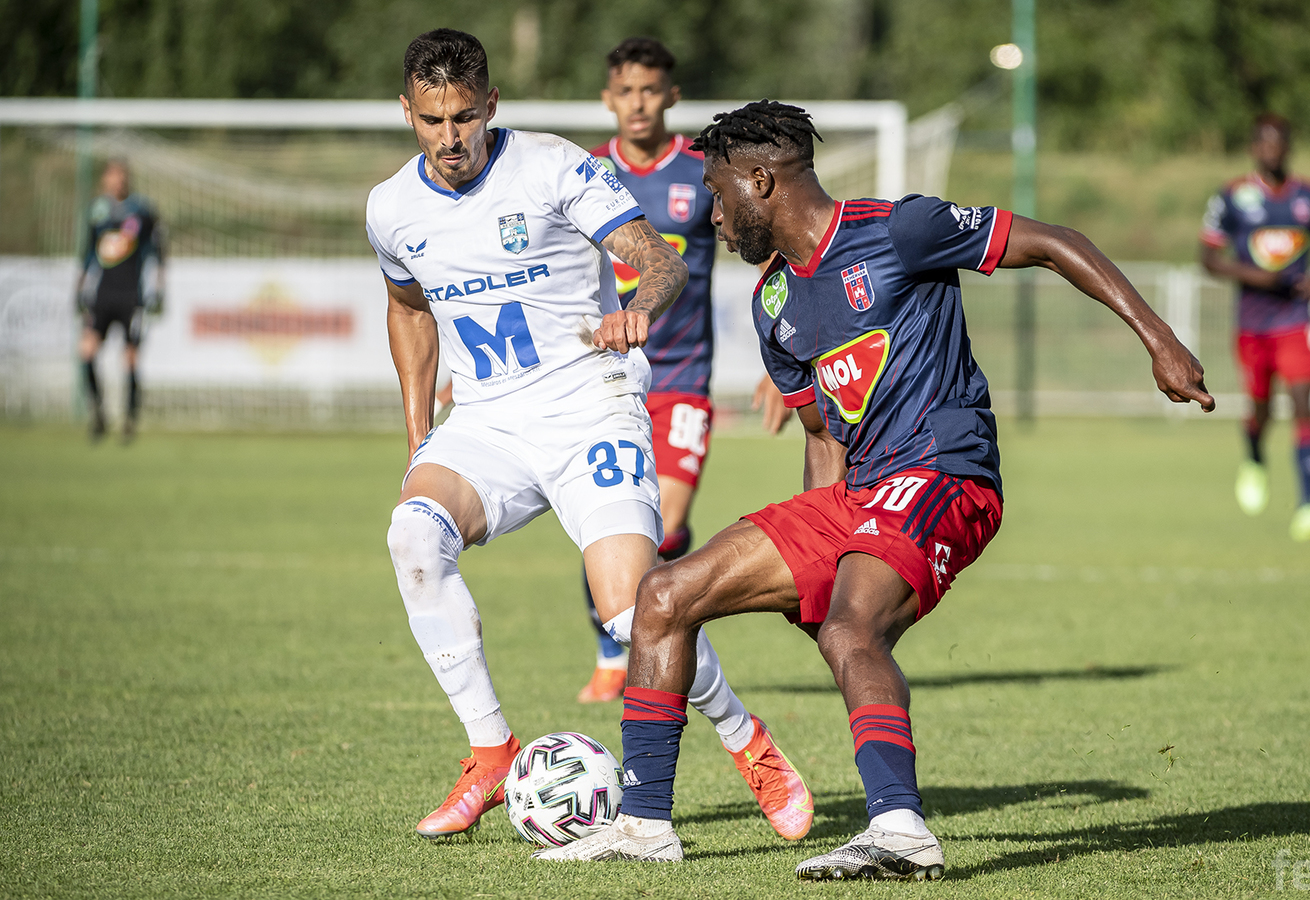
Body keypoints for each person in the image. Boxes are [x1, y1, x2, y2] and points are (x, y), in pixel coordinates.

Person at [535, 101, 1213, 877]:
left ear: (761, 181)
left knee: (851, 628)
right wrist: (812, 562)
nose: (712, 216)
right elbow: (823, 439)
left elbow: (1058, 243)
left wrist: (1161, 340)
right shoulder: (774, 303)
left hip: (947, 470)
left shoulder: (901, 230)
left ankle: (900, 831)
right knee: (662, 597)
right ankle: (644, 825)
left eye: (719, 195)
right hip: (860, 492)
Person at [367, 31, 810, 843]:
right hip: (487, 423)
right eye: (432, 120)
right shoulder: (391, 208)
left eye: (464, 117)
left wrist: (638, 308)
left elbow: (662, 261)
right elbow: (407, 310)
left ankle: (747, 739)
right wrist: (419, 434)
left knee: (632, 612)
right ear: (407, 112)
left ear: (491, 104)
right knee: (413, 537)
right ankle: (491, 752)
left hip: (589, 406)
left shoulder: (553, 166)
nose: (450, 137)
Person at [574, 36, 792, 703]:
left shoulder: (702, 172)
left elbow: (774, 253)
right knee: (609, 523)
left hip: (680, 382)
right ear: (608, 98)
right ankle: (612, 652)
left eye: (650, 90)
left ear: (671, 95)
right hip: (602, 382)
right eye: (626, 91)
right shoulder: (584, 173)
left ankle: (657, 641)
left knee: (661, 527)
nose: (638, 103)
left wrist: (786, 356)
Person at [1200, 113, 1310, 541]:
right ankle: (1255, 457)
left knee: (1303, 403)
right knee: (1260, 407)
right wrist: (1258, 277)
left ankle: (1309, 505)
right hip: (1253, 323)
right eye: (1265, 143)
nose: (1272, 150)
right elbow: (1208, 259)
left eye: (1279, 142)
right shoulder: (1232, 197)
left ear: (1289, 147)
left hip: (1297, 318)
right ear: (1254, 148)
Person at [76, 159, 165, 443]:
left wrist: (159, 289)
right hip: (102, 294)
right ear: (105, 179)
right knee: (86, 352)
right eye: (112, 176)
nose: (117, 181)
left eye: (121, 176)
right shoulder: (97, 211)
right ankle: (98, 412)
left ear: (127, 179)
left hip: (131, 295)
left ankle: (129, 419)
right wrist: (78, 289)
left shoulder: (142, 210)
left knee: (130, 359)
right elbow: (87, 254)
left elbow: (157, 252)